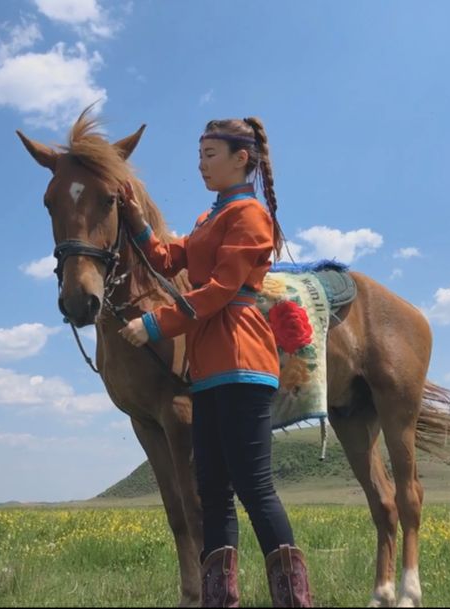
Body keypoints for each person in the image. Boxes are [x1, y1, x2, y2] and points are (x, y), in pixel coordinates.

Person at [118, 117, 313, 607]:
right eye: (199, 155)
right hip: (206, 374)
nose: (200, 165)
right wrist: (134, 215)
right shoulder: (209, 220)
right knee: (213, 492)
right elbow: (166, 258)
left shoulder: (250, 216)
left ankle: (294, 601)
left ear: (240, 158)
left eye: (210, 155)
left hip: (244, 364)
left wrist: (156, 325)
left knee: (254, 487)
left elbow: (223, 288)